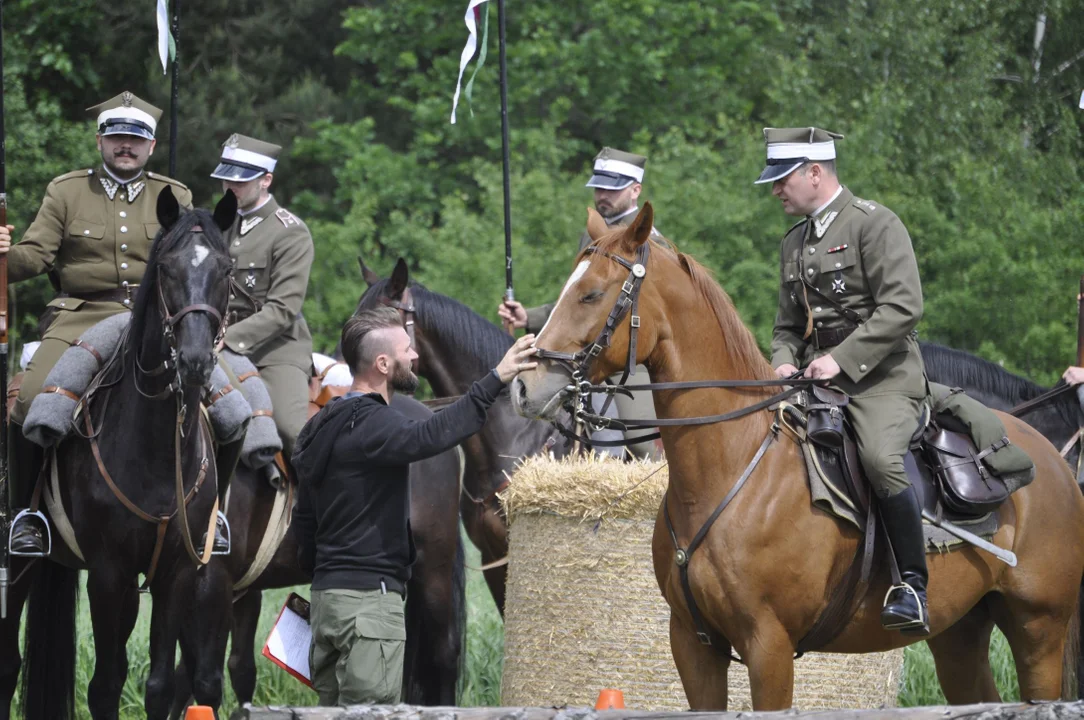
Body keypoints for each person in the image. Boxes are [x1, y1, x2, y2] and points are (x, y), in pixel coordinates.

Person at [291, 307, 538, 705]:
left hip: (327, 603)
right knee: (370, 715)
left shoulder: (321, 424)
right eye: (407, 349)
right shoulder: (375, 424)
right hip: (370, 609)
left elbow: (303, 520)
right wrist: (496, 378)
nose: (415, 356)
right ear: (383, 364)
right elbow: (434, 433)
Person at [0, 91, 194, 556]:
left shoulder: (175, 195)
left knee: (226, 403)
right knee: (28, 400)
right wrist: (4, 252)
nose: (125, 145)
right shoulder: (66, 190)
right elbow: (35, 256)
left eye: (136, 138)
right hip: (80, 315)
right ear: (99, 141)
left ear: (149, 146)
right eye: (116, 136)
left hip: (156, 321)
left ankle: (211, 514)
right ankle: (25, 514)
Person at [757, 126, 930, 635]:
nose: (775, 189)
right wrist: (784, 361)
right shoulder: (794, 242)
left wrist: (840, 358)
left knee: (878, 456)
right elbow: (787, 327)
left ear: (815, 172)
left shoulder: (874, 224)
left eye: (782, 178)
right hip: (814, 380)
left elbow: (903, 307)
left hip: (883, 377)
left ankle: (912, 586)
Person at [497, 147, 663, 460]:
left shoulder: (650, 242)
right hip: (585, 354)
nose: (603, 195)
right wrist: (527, 316)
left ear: (635, 190)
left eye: (612, 187)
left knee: (645, 447)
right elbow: (579, 303)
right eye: (599, 186)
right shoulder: (592, 236)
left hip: (630, 362)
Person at [210, 133, 314, 472]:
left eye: (241, 180)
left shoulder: (290, 232)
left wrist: (229, 340)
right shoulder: (218, 227)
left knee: (290, 428)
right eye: (227, 178)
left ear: (266, 180)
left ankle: (328, 512)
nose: (230, 187)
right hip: (213, 345)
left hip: (274, 350)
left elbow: (283, 310)